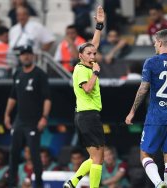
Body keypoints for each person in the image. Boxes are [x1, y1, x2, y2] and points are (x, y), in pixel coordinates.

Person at [125, 29, 167, 188]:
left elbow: (143, 89)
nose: (154, 44)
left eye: (155, 41)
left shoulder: (151, 62)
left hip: (156, 116)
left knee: (144, 154)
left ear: (160, 42)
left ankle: (159, 183)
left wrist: (132, 111)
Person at [63, 6, 105, 188]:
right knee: (98, 158)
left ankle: (72, 182)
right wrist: (95, 74)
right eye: (88, 54)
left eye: (94, 53)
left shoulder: (87, 65)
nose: (93, 55)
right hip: (87, 115)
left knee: (95, 157)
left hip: (86, 115)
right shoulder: (81, 69)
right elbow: (87, 89)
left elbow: (93, 44)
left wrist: (99, 25)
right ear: (80, 56)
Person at [4, 45, 51, 188]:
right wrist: (6, 114)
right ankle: (12, 184)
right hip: (19, 119)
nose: (26, 56)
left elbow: (47, 98)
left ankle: (38, 184)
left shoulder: (39, 74)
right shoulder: (17, 73)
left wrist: (44, 117)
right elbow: (13, 96)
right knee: (14, 152)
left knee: (34, 154)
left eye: (28, 54)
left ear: (33, 56)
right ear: (20, 57)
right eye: (23, 54)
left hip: (33, 121)